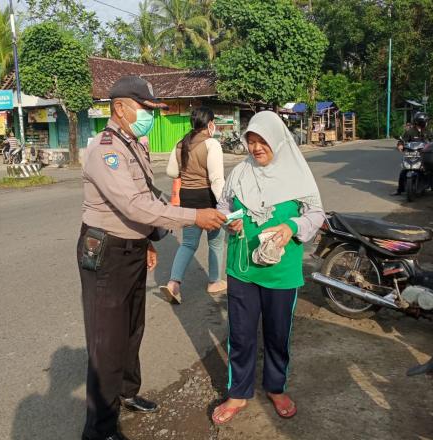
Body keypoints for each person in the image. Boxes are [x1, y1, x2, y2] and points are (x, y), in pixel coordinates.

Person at [78, 75, 226, 440]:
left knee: (132, 328)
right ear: (121, 108)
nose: (150, 116)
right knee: (106, 341)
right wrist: (195, 216)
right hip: (106, 253)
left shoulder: (134, 144)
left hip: (129, 247)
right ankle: (100, 429)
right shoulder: (105, 149)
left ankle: (127, 393)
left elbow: (148, 195)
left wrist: (149, 241)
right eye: (145, 109)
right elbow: (133, 204)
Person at [212, 111, 325, 424]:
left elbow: (316, 215)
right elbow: (223, 207)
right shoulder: (239, 174)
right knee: (241, 334)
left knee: (278, 334)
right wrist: (228, 223)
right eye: (251, 141)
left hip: (281, 272)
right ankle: (238, 392)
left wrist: (291, 226)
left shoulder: (298, 175)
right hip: (242, 269)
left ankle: (276, 387)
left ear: (277, 139)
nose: (256, 147)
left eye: (262, 141)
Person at [160, 107, 226, 304]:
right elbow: (216, 180)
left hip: (187, 198)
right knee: (215, 242)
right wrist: (224, 206)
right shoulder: (211, 144)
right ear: (210, 124)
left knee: (188, 243)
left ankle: (173, 284)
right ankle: (214, 281)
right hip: (207, 198)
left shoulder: (181, 144)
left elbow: (172, 172)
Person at [392, 112, 433, 195]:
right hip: (411, 155)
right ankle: (399, 190)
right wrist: (400, 145)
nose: (427, 123)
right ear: (421, 122)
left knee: (430, 170)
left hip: (424, 155)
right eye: (426, 121)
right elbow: (402, 140)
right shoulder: (410, 132)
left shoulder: (427, 131)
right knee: (403, 172)